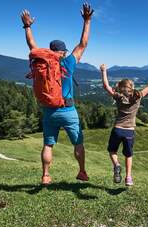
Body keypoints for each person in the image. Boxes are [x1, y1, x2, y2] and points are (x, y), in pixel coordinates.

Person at [20, 3, 94, 185]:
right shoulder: (68, 61)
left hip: (49, 110)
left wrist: (27, 26)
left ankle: (45, 175)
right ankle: (82, 172)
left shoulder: (41, 61)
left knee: (48, 144)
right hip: (68, 110)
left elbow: (32, 45)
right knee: (78, 143)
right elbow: (83, 44)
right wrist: (87, 20)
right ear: (62, 51)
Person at [100, 64, 148, 186]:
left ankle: (117, 165)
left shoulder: (118, 97)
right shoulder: (138, 97)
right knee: (128, 155)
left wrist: (103, 71)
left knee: (112, 151)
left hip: (117, 129)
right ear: (132, 87)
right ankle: (128, 178)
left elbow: (105, 86)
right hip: (129, 131)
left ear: (121, 88)